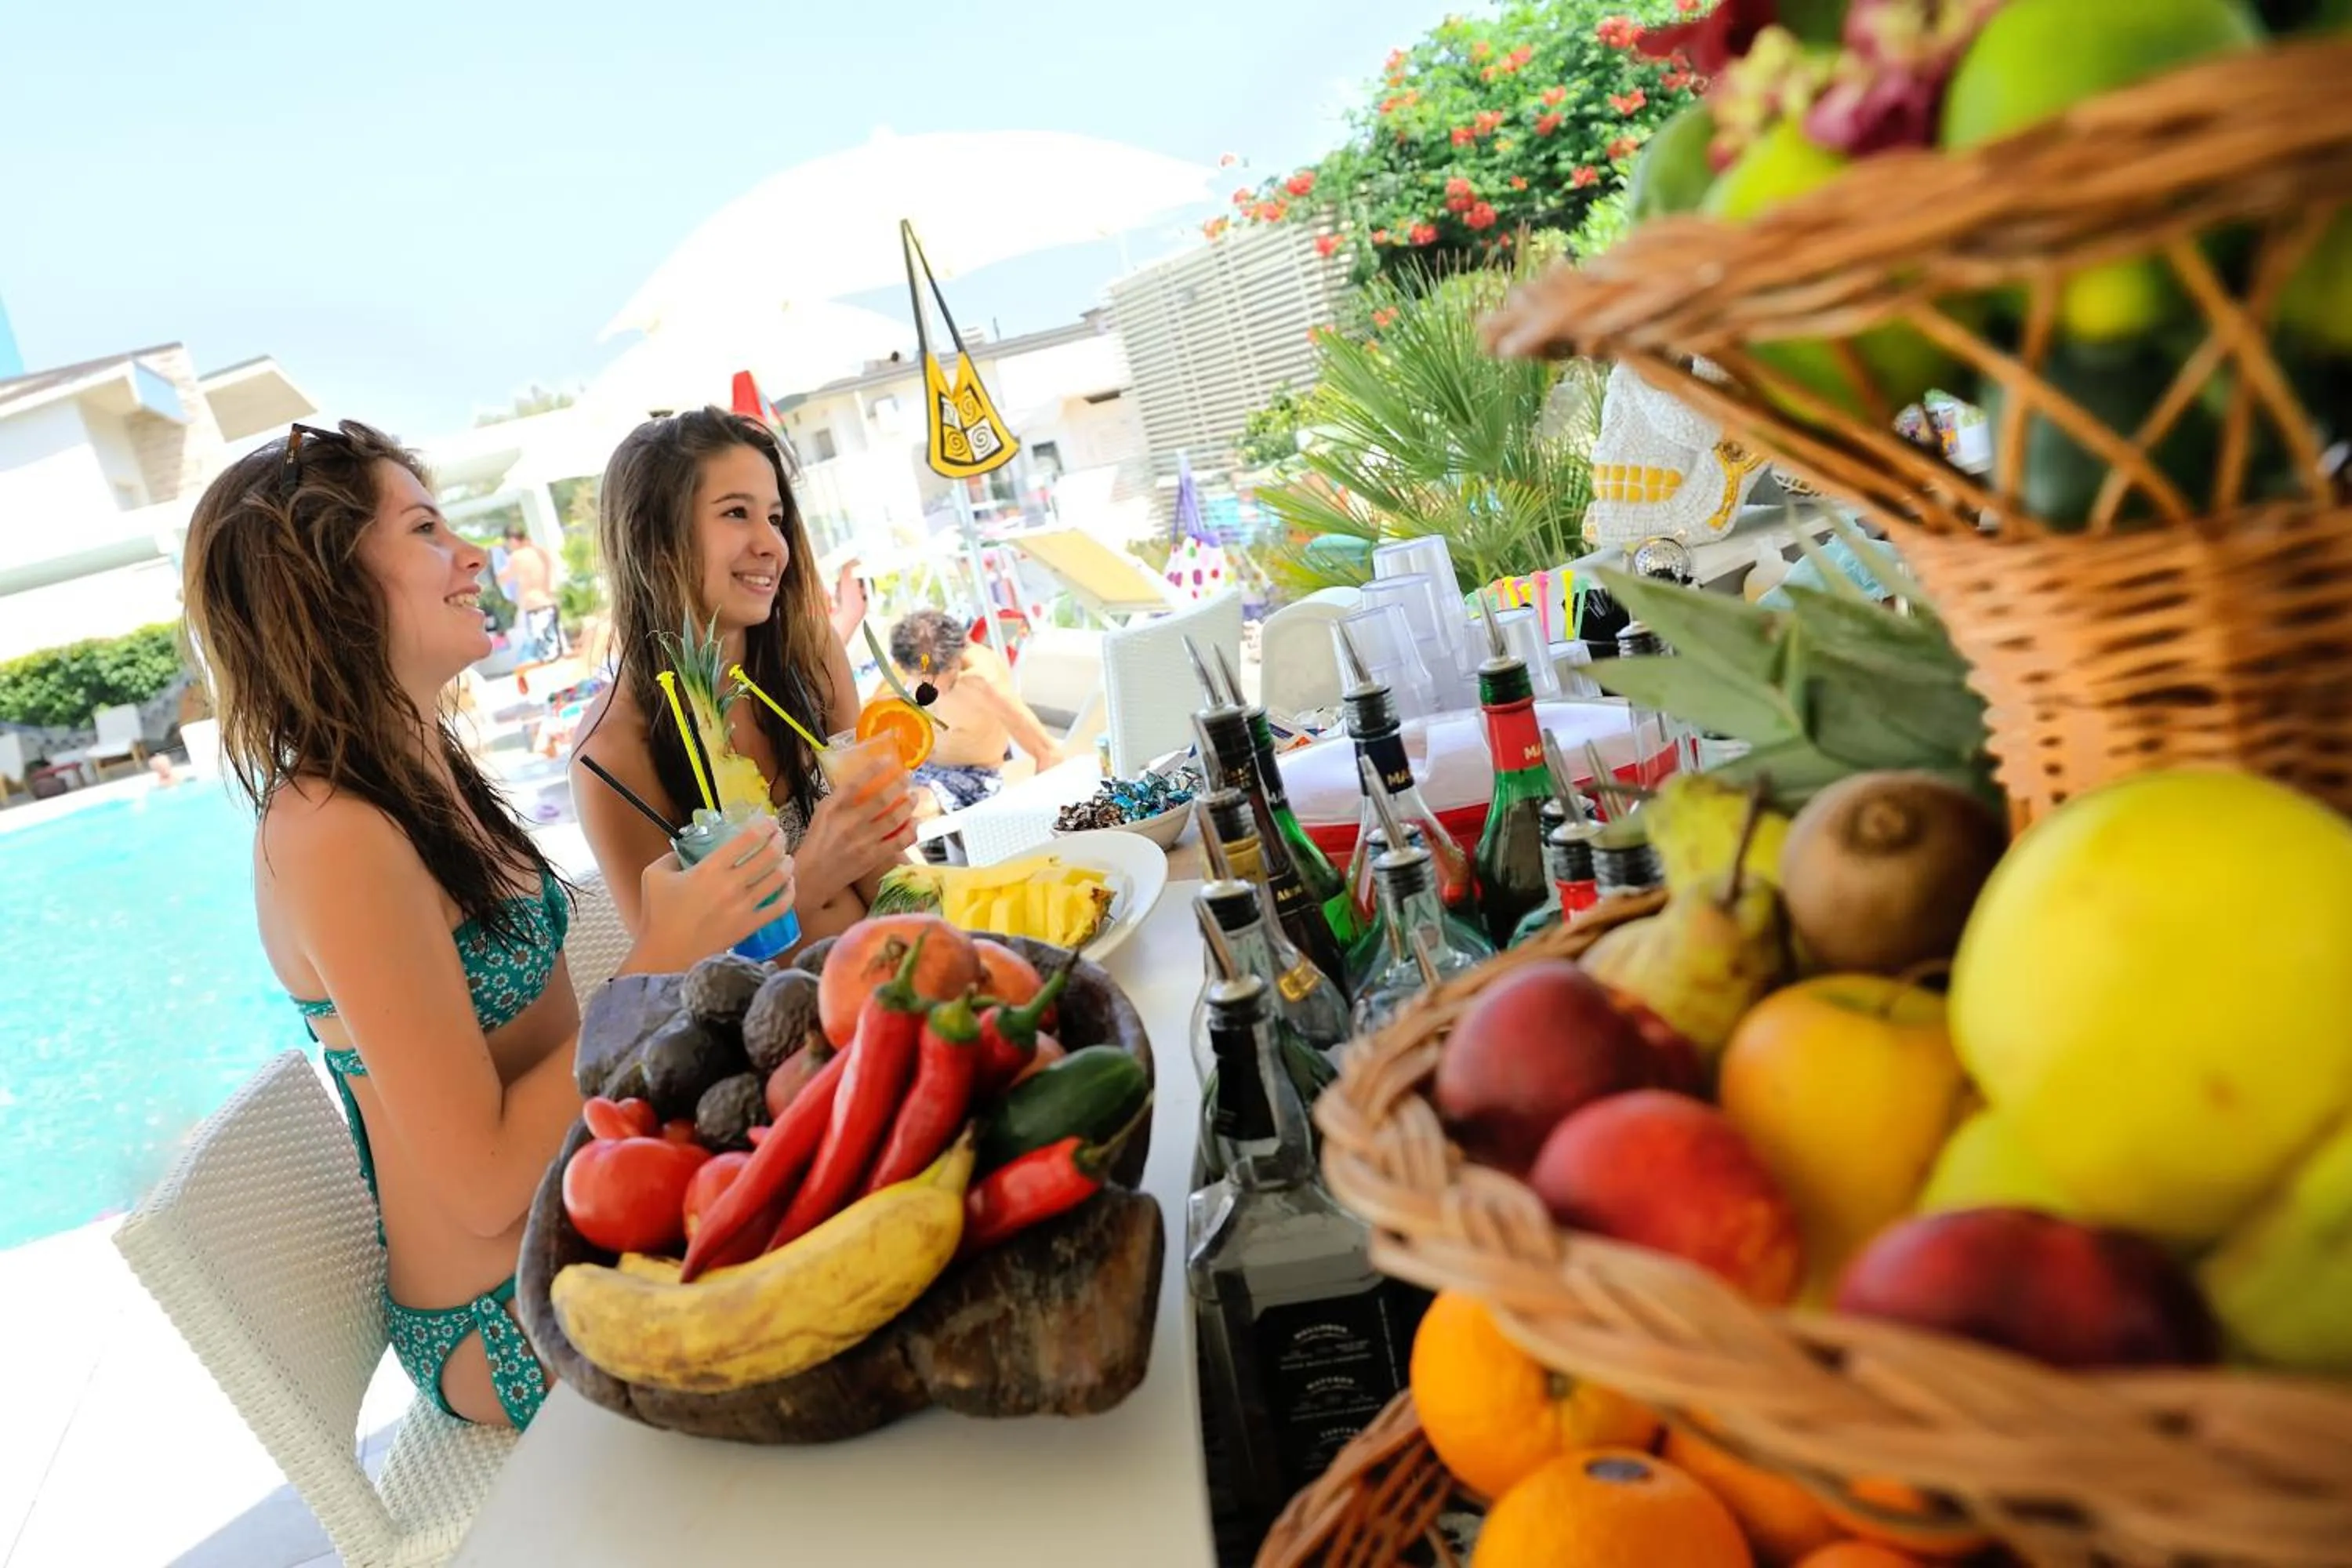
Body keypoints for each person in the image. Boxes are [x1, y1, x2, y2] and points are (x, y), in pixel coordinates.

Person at [180, 420, 792, 1429]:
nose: (474, 556)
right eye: (426, 529)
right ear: (326, 584)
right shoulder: (331, 830)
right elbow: (482, 1179)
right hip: (506, 1305)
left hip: (591, 1209)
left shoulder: (426, 767)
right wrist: (659, 955)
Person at [571, 408, 915, 950]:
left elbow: (886, 872)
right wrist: (814, 871)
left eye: (775, 519)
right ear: (654, 539)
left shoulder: (809, 655)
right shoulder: (611, 755)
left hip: (892, 971)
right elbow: (677, 979)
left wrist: (957, 940)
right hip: (774, 1005)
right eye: (736, 513)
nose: (772, 544)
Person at [888, 607, 1065, 817]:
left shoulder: (984, 682)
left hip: (972, 777)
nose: (939, 688)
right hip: (919, 768)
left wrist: (1036, 817)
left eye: (949, 672)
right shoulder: (908, 666)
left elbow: (1049, 753)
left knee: (904, 813)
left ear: (961, 650)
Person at [499, 521, 561, 660]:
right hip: (548, 602)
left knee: (543, 652)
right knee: (553, 649)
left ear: (512, 540)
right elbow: (551, 571)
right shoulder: (539, 552)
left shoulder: (516, 557)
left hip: (533, 605)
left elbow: (503, 578)